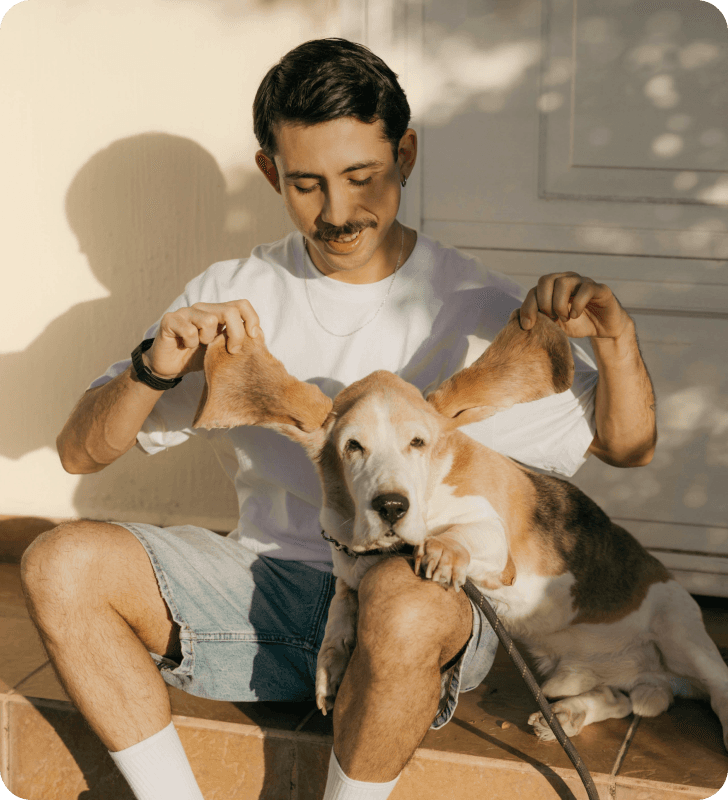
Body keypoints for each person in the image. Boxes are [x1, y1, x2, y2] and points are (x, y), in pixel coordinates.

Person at [20, 38, 656, 800]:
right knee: (58, 561)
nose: (340, 211)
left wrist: (616, 339)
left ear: (406, 153)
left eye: (363, 177)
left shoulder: (478, 305)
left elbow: (627, 445)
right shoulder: (234, 293)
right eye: (308, 185)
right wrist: (154, 366)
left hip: (421, 602)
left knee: (399, 596)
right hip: (269, 586)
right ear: (270, 173)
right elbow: (79, 453)